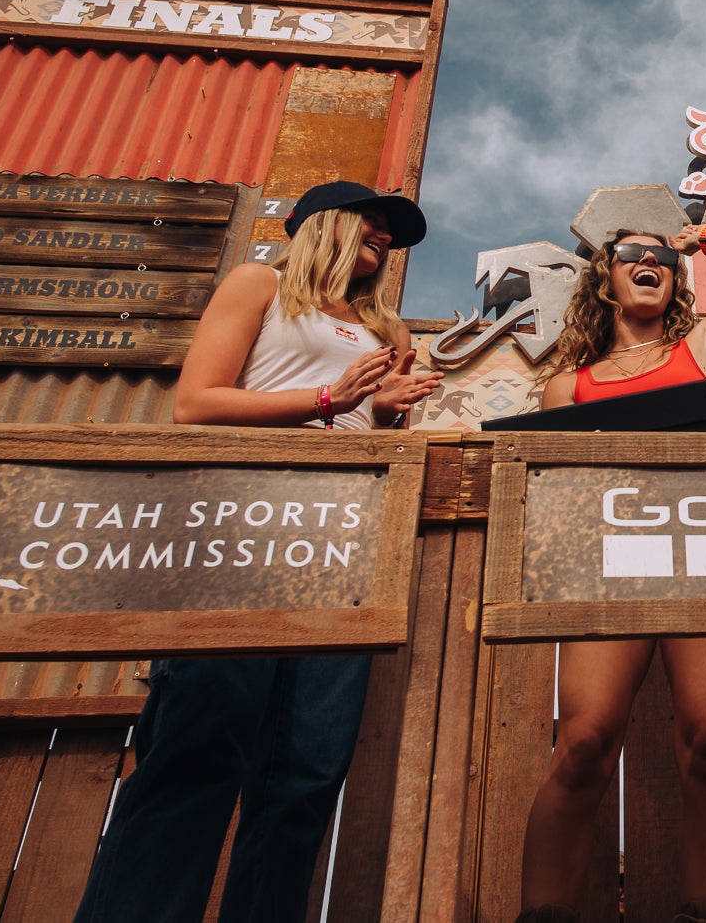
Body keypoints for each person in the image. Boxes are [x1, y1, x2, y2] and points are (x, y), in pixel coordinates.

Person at [74, 180, 443, 923]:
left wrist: (383, 413)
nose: (383, 235)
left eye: (390, 232)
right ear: (320, 224)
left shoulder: (388, 331)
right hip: (243, 527)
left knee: (307, 771)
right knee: (199, 744)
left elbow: (367, 432)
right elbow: (195, 404)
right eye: (370, 221)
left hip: (343, 539)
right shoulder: (260, 286)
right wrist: (327, 400)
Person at [517, 219, 706, 923]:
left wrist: (705, 234)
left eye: (662, 256)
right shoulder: (566, 387)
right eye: (632, 253)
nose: (650, 261)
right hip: (610, 566)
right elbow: (554, 498)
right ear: (604, 276)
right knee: (584, 741)